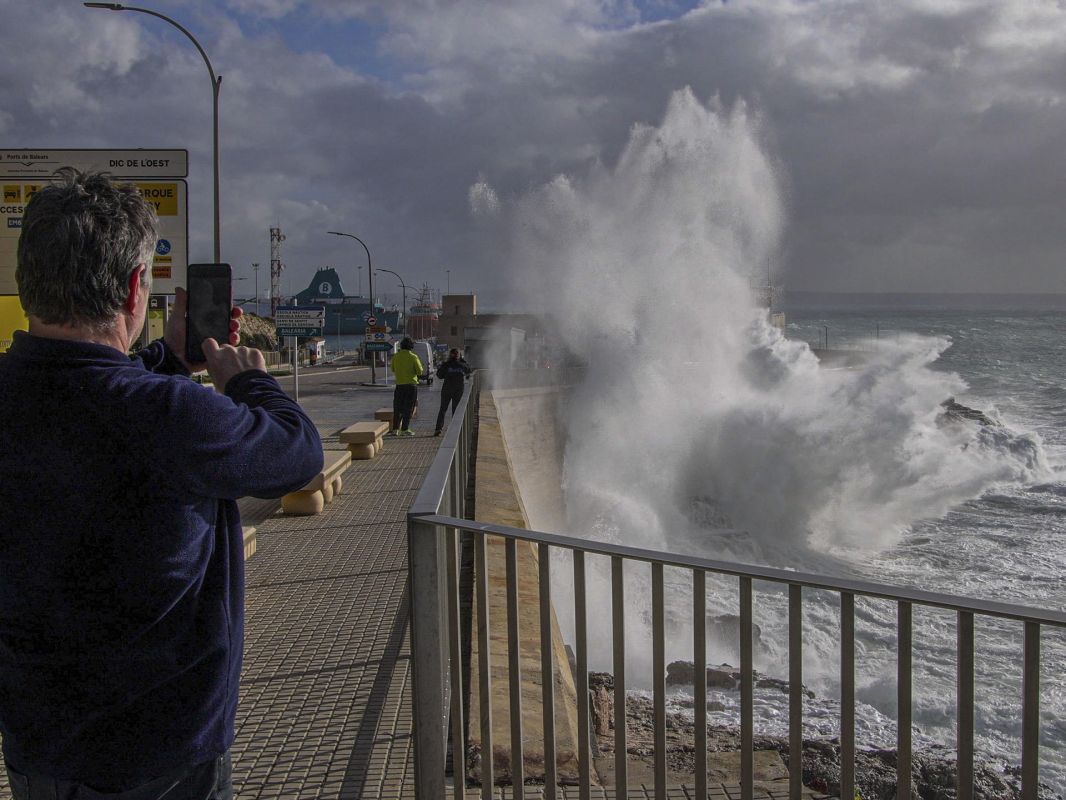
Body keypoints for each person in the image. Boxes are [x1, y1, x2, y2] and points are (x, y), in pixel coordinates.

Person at [0, 170, 324, 800]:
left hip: (38, 747)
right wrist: (247, 381)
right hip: (163, 758)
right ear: (134, 288)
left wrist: (169, 359)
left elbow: (88, 391)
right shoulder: (172, 417)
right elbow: (297, 451)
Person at [389, 337, 423, 436]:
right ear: (411, 346)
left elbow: (393, 369)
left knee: (397, 407)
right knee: (408, 408)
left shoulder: (396, 356)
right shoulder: (413, 357)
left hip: (399, 385)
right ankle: (405, 429)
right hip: (411, 385)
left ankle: (395, 429)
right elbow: (419, 371)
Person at [434, 348, 472, 436]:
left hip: (447, 389)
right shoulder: (462, 365)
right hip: (458, 390)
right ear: (459, 356)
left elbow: (439, 375)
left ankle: (438, 429)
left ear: (450, 355)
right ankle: (455, 431)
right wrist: (462, 361)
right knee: (456, 410)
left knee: (443, 409)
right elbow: (469, 370)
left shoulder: (446, 365)